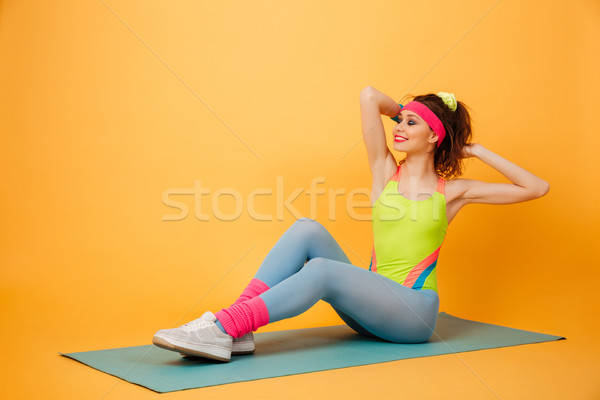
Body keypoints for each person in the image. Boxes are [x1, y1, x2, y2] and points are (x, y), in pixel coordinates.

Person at [152, 86, 550, 362]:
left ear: (434, 137)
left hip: (412, 314)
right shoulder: (384, 173)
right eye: (400, 121)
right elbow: (369, 96)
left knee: (323, 270)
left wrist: (476, 150)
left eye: (412, 124)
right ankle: (237, 329)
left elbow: (536, 187)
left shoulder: (454, 192)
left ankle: (223, 327)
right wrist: (406, 113)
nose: (399, 127)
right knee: (307, 227)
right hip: (371, 310)